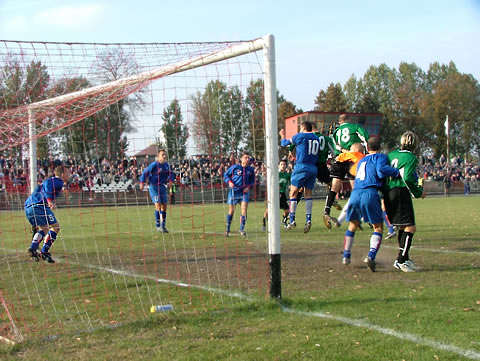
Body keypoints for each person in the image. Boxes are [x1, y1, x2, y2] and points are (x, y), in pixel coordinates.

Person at [341, 136, 399, 272]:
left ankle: (346, 255)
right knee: (378, 227)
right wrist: (396, 172)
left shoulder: (362, 160)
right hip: (370, 192)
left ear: (367, 148)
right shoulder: (380, 157)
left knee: (353, 224)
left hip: (355, 193)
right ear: (380, 147)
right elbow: (380, 170)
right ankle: (371, 256)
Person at [384, 131, 426, 273]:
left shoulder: (391, 155)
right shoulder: (411, 157)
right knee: (410, 227)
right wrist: (418, 192)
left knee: (402, 227)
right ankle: (401, 260)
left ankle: (405, 258)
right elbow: (407, 178)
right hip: (400, 192)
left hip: (389, 192)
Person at [324, 114, 369, 229]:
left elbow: (336, 147)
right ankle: (361, 216)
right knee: (356, 188)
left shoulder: (336, 131)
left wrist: (344, 151)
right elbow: (365, 137)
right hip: (352, 159)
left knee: (335, 186)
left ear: (339, 122)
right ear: (348, 120)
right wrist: (368, 151)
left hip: (340, 158)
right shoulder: (354, 127)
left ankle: (327, 210)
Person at [279, 121, 320, 233]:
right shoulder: (316, 138)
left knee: (293, 193)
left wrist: (282, 135)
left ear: (302, 128)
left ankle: (292, 220)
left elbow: (285, 143)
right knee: (308, 194)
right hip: (313, 168)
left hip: (302, 167)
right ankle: (308, 219)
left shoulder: (300, 136)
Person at [26, 165, 70, 263]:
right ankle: (43, 251)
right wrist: (49, 201)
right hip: (39, 205)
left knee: (44, 228)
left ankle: (33, 249)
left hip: (29, 206)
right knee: (55, 227)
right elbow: (47, 184)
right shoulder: (58, 180)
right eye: (68, 172)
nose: (69, 174)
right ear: (63, 174)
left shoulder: (57, 183)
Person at [139, 149, 175, 233]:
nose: (164, 156)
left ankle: (163, 226)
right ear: (158, 157)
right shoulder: (154, 165)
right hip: (154, 187)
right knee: (158, 206)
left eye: (165, 154)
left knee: (164, 206)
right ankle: (158, 225)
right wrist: (141, 182)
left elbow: (171, 174)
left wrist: (171, 181)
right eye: (162, 155)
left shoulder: (167, 165)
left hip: (162, 187)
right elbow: (145, 172)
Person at [224, 152, 255, 237]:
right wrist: (229, 182)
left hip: (244, 193)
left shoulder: (251, 170)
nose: (247, 159)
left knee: (244, 210)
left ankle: (242, 229)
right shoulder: (235, 167)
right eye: (246, 157)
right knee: (231, 210)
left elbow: (252, 181)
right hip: (234, 192)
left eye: (248, 158)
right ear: (241, 159)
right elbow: (226, 175)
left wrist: (248, 187)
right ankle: (227, 229)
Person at [262, 159, 291, 231]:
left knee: (287, 210)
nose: (283, 166)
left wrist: (290, 186)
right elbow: (270, 181)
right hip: (274, 193)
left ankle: (284, 221)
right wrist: (275, 186)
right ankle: (264, 224)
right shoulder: (276, 174)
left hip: (282, 194)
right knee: (268, 210)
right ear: (279, 165)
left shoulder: (287, 175)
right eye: (281, 164)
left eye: (284, 164)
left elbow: (290, 182)